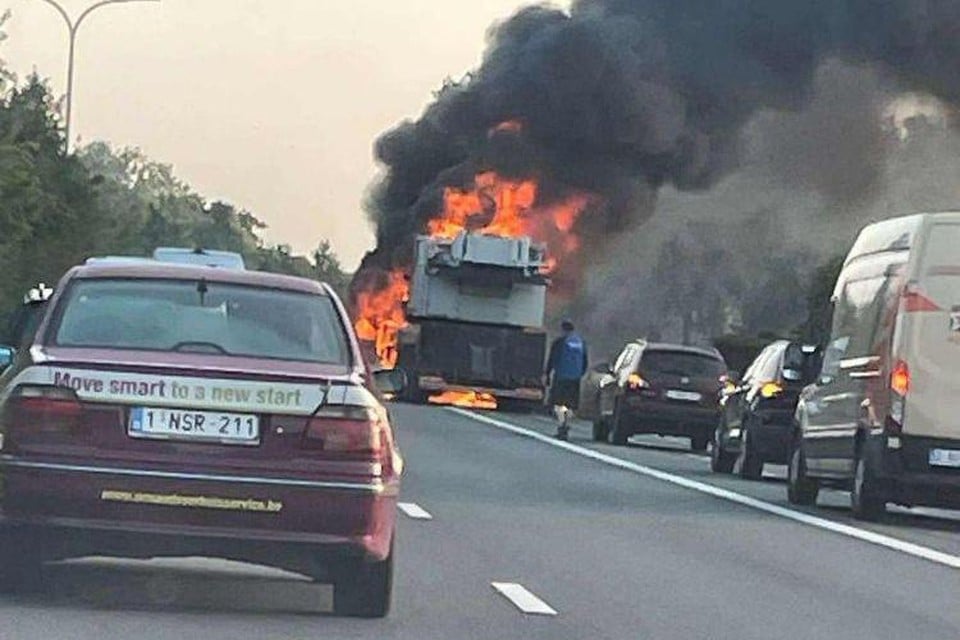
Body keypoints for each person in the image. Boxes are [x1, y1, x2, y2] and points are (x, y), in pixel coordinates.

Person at [544, 319, 588, 440]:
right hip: (575, 379)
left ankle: (562, 425)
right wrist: (579, 375)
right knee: (571, 404)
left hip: (561, 377)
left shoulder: (559, 342)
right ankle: (567, 423)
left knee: (558, 404)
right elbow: (585, 362)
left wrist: (547, 374)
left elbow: (552, 359)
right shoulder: (581, 343)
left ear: (563, 329)